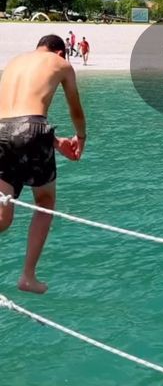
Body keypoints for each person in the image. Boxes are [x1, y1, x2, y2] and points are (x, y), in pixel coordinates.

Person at [0, 35, 86, 294]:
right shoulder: (60, 64)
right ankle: (27, 276)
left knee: (3, 215)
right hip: (31, 129)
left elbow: (17, 121)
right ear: (61, 52)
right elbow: (75, 110)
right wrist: (80, 137)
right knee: (45, 202)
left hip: (1, 130)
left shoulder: (15, 62)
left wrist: (55, 141)